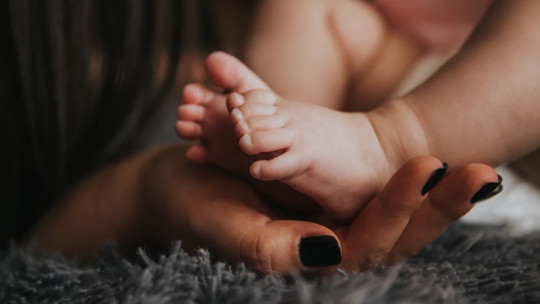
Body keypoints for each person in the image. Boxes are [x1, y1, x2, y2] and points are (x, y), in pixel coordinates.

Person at [1, 0, 500, 274]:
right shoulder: (385, 42)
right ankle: (286, 160)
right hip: (390, 108)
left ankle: (372, 142)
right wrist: (141, 190)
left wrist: (395, 136)